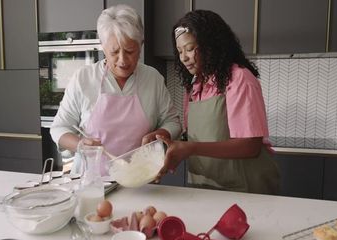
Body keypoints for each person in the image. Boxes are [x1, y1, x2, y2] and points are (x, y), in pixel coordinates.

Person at [156, 10, 279, 194]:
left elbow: (250, 146)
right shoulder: (194, 86)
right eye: (180, 51)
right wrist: (168, 145)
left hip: (245, 189)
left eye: (189, 49)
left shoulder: (239, 79)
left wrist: (190, 148)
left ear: (210, 45)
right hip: (205, 187)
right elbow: (198, 136)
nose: (183, 58)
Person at [50, 4, 181, 175]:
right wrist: (80, 145)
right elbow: (59, 128)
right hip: (92, 182)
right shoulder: (83, 79)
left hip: (139, 179)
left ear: (140, 45)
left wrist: (160, 134)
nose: (123, 60)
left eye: (130, 51)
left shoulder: (152, 79)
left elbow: (173, 122)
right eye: (114, 52)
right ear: (103, 46)